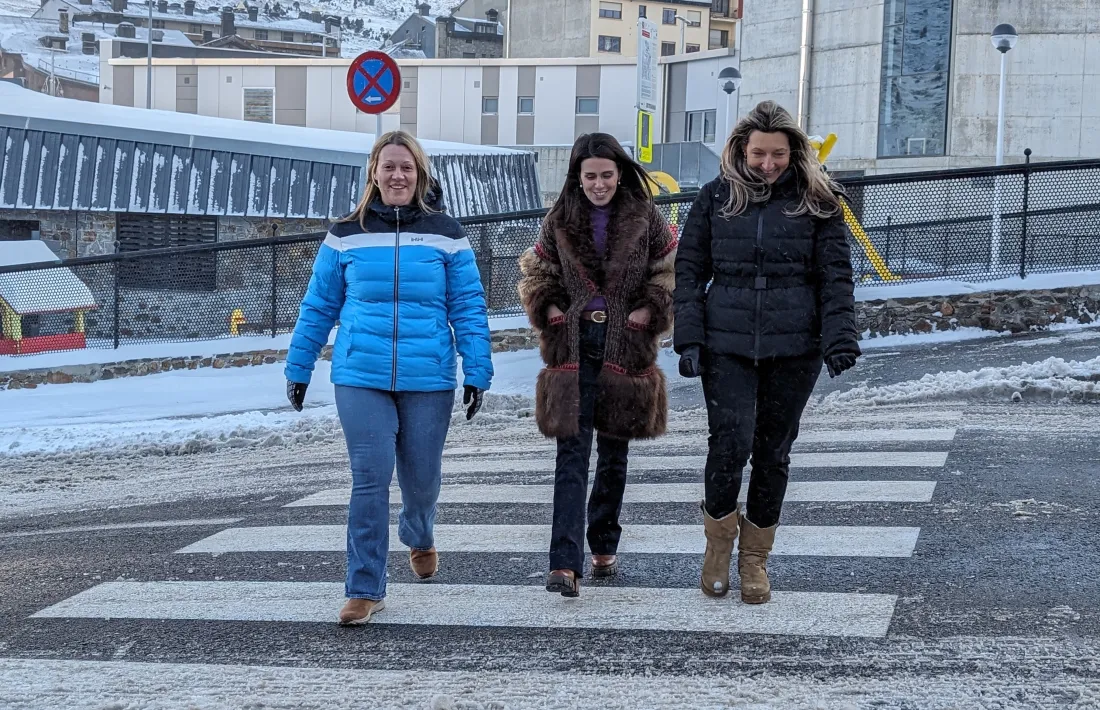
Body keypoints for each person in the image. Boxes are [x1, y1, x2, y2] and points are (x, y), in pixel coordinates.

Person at [284, 130, 493, 625]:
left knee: (421, 481)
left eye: (407, 167)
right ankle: (364, 586)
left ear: (419, 174)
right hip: (360, 373)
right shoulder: (345, 234)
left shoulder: (447, 233)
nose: (397, 175)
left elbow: (467, 305)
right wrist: (299, 365)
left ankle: (419, 531)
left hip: (429, 377)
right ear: (373, 173)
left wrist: (476, 369)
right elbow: (319, 304)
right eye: (388, 166)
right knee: (369, 479)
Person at [673, 101, 860, 604]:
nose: (768, 164)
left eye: (778, 154)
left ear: (794, 152)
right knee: (729, 445)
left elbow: (835, 279)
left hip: (795, 347)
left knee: (773, 453)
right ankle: (718, 548)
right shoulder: (714, 198)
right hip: (726, 342)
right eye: (759, 153)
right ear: (741, 150)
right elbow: (688, 273)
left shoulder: (818, 202)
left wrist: (840, 337)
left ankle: (755, 559)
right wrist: (688, 338)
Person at [518, 132, 677, 597]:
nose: (599, 184)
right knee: (571, 452)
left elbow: (670, 269)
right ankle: (563, 564)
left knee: (613, 451)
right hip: (574, 344)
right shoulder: (558, 219)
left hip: (625, 343)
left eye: (607, 175)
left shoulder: (646, 217)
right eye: (590, 176)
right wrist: (549, 308)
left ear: (620, 173)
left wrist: (649, 310)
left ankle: (604, 540)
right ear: (578, 177)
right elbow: (536, 272)